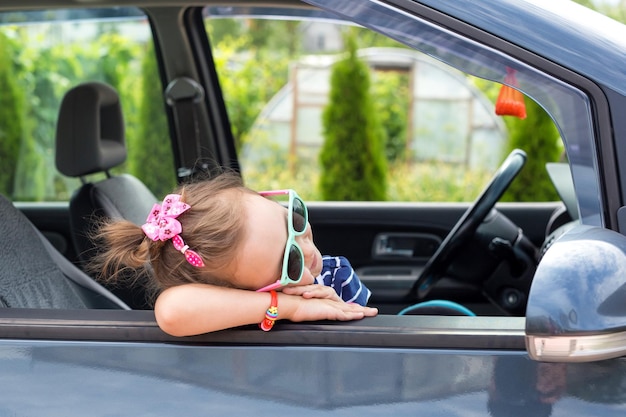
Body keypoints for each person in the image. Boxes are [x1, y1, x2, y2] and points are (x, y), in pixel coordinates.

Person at [90, 171, 378, 336]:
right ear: (246, 292)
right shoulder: (240, 309)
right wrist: (291, 307)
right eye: (290, 262)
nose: (307, 248)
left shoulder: (334, 275)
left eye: (295, 221)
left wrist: (339, 310)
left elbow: (372, 336)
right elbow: (171, 311)